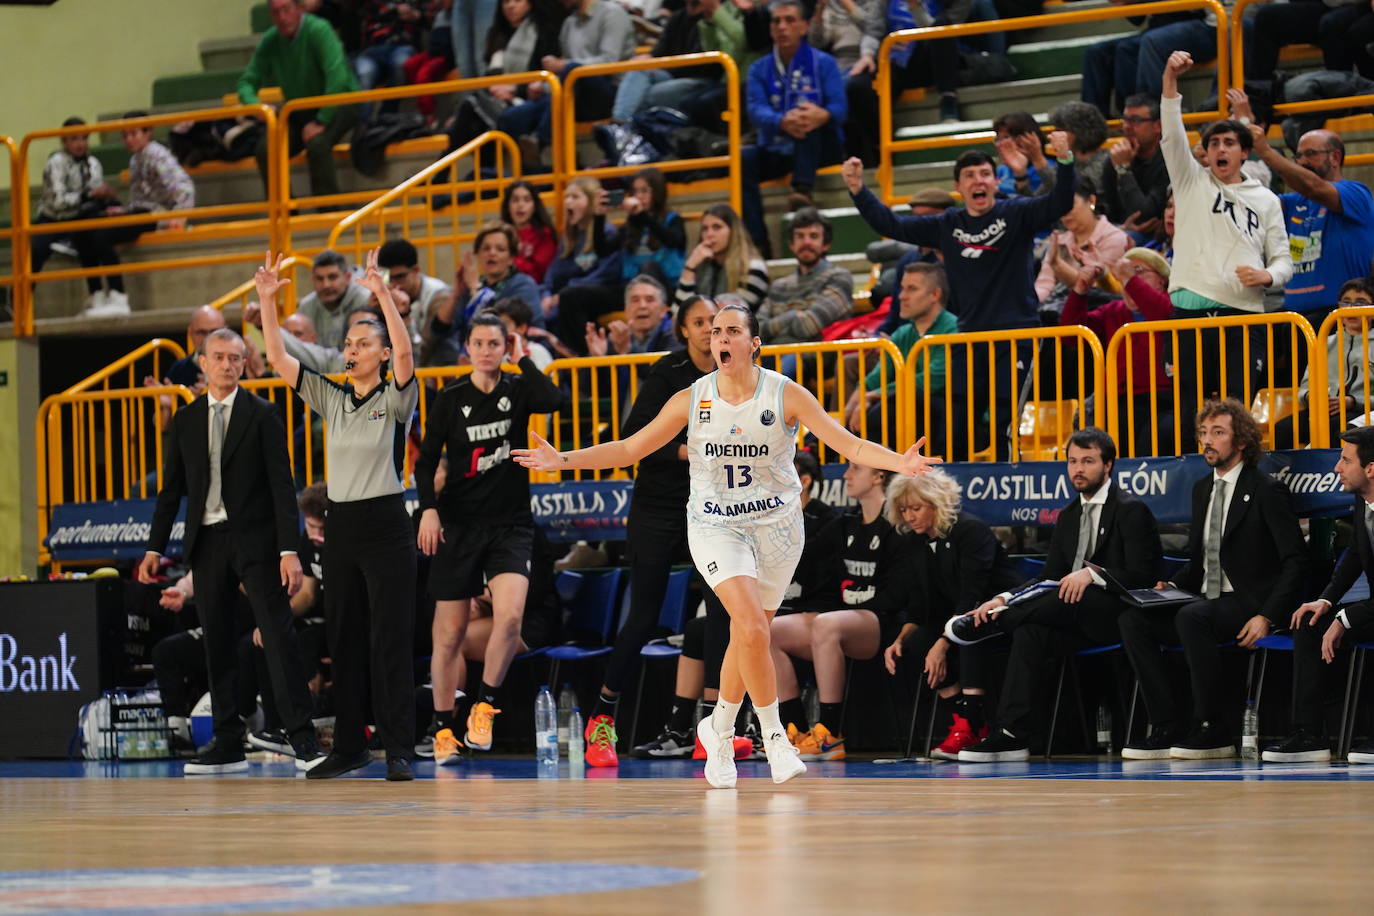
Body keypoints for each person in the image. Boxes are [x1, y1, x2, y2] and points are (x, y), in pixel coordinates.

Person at [514, 302, 941, 788]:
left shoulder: (784, 393)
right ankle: (775, 737)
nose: (721, 338)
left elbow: (849, 445)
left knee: (751, 633)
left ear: (753, 343)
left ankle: (717, 729)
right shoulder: (692, 398)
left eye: (732, 331)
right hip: (716, 525)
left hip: (777, 529)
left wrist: (899, 463)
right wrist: (562, 459)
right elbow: (631, 448)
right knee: (749, 626)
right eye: (716, 331)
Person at [254, 248, 420, 781]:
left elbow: (405, 358)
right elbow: (281, 361)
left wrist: (383, 298)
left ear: (380, 352)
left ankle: (398, 748)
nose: (351, 349)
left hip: (388, 523)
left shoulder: (396, 398)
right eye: (347, 343)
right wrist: (266, 303)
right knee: (343, 638)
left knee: (388, 640)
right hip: (343, 525)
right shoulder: (332, 396)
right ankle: (350, 745)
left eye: (362, 343)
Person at [136, 326, 325, 776]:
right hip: (206, 543)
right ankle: (226, 742)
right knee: (216, 640)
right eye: (218, 357)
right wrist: (154, 547)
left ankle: (303, 739)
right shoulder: (185, 420)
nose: (226, 365)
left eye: (235, 358)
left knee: (277, 636)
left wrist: (287, 549)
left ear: (244, 364)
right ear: (202, 362)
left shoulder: (263, 414)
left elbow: (283, 487)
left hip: (256, 543)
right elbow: (172, 490)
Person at [843, 132, 1076, 458]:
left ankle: (1008, 477)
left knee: (1004, 418)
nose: (977, 181)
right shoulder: (947, 224)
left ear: (995, 182)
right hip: (968, 340)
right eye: (969, 175)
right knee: (958, 418)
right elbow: (893, 224)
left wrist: (1064, 160)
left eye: (984, 173)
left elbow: (1060, 202)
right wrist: (857, 189)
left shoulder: (1017, 213)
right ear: (959, 186)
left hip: (1017, 335)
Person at [946, 428, 1163, 761]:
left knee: (1069, 594)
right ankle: (1011, 733)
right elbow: (1049, 578)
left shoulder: (1131, 510)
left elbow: (1144, 575)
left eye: (1088, 461)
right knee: (1031, 632)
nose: (1078, 469)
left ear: (1108, 466)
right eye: (1072, 461)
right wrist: (1004, 598)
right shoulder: (1068, 516)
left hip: (1114, 614)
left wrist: (1092, 574)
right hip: (1065, 615)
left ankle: (992, 625)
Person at [580, 296, 726, 766]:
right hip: (659, 506)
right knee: (642, 617)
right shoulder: (668, 373)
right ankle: (601, 721)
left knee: (719, 613)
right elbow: (635, 435)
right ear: (683, 330)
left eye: (715, 323)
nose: (709, 330)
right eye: (700, 323)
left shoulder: (734, 376)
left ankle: (712, 728)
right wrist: (692, 450)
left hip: (709, 508)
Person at [1117, 399, 1307, 759]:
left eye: (1218, 433)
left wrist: (1267, 615)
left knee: (1193, 616)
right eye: (1203, 432)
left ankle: (1213, 727)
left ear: (1242, 442)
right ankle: (1164, 724)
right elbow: (1199, 562)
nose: (1207, 441)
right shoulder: (1202, 488)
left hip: (1248, 601)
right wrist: (1171, 586)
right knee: (1133, 619)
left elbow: (1295, 560)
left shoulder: (1266, 489)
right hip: (1206, 600)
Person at [414, 313, 564, 762]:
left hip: (511, 525)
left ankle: (485, 705)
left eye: (494, 343)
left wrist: (524, 361)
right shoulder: (450, 397)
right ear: (467, 348)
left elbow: (554, 398)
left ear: (505, 347)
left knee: (510, 618)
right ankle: (443, 729)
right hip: (459, 525)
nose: (485, 350)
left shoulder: (518, 390)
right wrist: (429, 509)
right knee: (449, 635)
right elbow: (424, 464)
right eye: (477, 342)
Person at [633, 447, 835, 761]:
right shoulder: (752, 513)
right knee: (701, 628)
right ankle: (683, 727)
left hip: (806, 604)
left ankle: (763, 727)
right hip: (766, 595)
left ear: (802, 480)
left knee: (753, 629)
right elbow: (633, 445)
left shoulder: (822, 519)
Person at [1160, 51, 1294, 450]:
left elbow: (1284, 258)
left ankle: (1240, 483)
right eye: (1213, 142)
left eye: (1229, 142)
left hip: (1242, 316)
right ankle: (1196, 491)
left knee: (1236, 413)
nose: (1219, 148)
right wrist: (1170, 79)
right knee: (1190, 413)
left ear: (1244, 152)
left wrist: (1269, 276)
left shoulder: (1266, 199)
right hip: (1188, 315)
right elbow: (1170, 134)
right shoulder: (1190, 182)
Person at [879, 469, 1022, 759]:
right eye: (904, 510)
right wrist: (900, 639)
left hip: (999, 612)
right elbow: (920, 602)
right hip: (958, 618)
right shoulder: (914, 542)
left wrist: (943, 644)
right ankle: (966, 721)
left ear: (937, 502)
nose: (909, 516)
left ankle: (970, 722)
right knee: (917, 642)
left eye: (916, 508)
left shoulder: (970, 531)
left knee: (968, 630)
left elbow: (972, 597)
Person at [770, 462, 901, 761]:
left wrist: (854, 608)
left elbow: (901, 592)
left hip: (882, 622)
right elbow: (803, 557)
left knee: (826, 624)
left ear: (879, 476)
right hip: (844, 619)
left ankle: (829, 732)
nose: (846, 476)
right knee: (767, 630)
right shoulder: (845, 523)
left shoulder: (896, 525)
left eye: (855, 469)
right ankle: (797, 729)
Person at [1267, 427, 1374, 764]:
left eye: (1345, 460)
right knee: (1310, 622)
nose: (1336, 468)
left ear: (1371, 468)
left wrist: (1346, 617)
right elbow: (1356, 554)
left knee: (1339, 621)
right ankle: (1309, 735)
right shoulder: (1363, 500)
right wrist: (1327, 601)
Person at [740, 0, 847, 255]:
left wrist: (822, 114)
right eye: (776, 21)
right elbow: (755, 110)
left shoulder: (824, 63)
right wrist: (781, 121)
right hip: (776, 146)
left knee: (806, 119)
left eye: (789, 20)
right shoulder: (758, 69)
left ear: (804, 26)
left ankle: (802, 190)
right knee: (742, 159)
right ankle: (758, 240)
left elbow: (840, 109)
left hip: (820, 146)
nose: (782, 27)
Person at [1245, 122, 1374, 331]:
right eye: (1298, 156)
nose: (1302, 161)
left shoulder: (1356, 193)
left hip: (1341, 318)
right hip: (1295, 320)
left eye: (1311, 153)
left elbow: (1312, 186)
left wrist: (1265, 151)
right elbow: (1252, 201)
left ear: (1335, 157)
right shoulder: (1291, 203)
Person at [76, 112, 195, 316]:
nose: (128, 139)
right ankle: (96, 294)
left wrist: (179, 216)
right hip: (139, 212)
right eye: (124, 135)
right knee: (83, 230)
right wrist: (123, 211)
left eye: (133, 133)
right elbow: (141, 198)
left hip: (155, 215)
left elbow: (184, 188)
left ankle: (118, 295)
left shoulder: (156, 154)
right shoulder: (135, 160)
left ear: (148, 132)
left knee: (102, 236)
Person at [240, 0, 360, 200]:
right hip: (300, 108)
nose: (282, 18)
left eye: (286, 10)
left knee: (317, 143)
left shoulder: (319, 30)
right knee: (266, 150)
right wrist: (257, 107)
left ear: (298, 9)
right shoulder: (270, 41)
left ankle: (327, 212)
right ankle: (283, 214)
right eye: (276, 13)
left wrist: (321, 120)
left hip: (340, 101)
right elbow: (246, 82)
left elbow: (336, 77)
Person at [1060, 251, 1175, 458]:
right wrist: (1080, 290)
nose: (1128, 277)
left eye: (1138, 270)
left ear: (1161, 280)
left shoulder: (1172, 304)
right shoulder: (1113, 311)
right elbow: (1070, 336)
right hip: (1119, 401)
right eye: (1125, 273)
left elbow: (1162, 315)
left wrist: (1129, 278)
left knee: (1157, 437)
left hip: (1166, 399)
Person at [496, 0, 636, 163]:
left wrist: (564, 65)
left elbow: (610, 62)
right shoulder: (569, 23)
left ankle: (543, 140)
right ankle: (536, 178)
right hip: (574, 94)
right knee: (512, 117)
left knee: (572, 70)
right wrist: (544, 86)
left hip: (611, 91)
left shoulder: (612, 13)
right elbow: (564, 73)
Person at [844, 262, 959, 448]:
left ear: (935, 295)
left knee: (890, 406)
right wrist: (848, 411)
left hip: (945, 415)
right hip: (909, 411)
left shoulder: (953, 329)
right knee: (841, 425)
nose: (901, 296)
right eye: (902, 289)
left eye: (911, 289)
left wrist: (872, 396)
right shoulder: (903, 333)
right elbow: (875, 379)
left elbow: (931, 381)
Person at [434, 0, 563, 161]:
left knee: (472, 110)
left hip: (529, 99)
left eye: (517, 1)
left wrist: (514, 89)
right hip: (499, 98)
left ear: (530, 3)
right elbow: (490, 75)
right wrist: (497, 88)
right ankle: (484, 175)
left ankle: (446, 171)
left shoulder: (544, 31)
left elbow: (545, 79)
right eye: (506, 2)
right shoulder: (498, 33)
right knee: (475, 115)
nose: (510, 6)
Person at [845, 0, 965, 166]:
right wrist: (867, 55)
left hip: (933, 60)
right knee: (856, 86)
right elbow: (873, 30)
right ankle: (882, 148)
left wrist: (915, 7)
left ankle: (948, 102)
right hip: (896, 58)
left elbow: (939, 32)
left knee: (942, 25)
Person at [611, 0, 753, 124]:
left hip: (701, 79)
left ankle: (619, 125)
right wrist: (650, 57)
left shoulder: (720, 16)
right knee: (639, 70)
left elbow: (705, 64)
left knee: (646, 94)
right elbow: (660, 50)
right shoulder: (678, 17)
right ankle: (619, 123)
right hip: (669, 74)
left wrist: (659, 64)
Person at [30, 117, 119, 311]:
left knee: (93, 237)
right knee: (35, 249)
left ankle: (96, 294)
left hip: (80, 216)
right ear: (64, 142)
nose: (80, 144)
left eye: (83, 138)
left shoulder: (93, 163)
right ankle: (20, 301)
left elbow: (94, 195)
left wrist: (105, 195)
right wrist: (88, 195)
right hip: (53, 218)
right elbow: (58, 202)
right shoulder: (56, 163)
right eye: (74, 139)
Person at [1280, 279, 1374, 448]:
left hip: (1363, 411)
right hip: (1322, 410)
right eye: (1346, 302)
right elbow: (1304, 388)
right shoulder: (1324, 342)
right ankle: (1285, 474)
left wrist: (1353, 401)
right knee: (1283, 429)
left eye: (1360, 302)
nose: (1351, 309)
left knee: (1337, 427)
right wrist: (1312, 397)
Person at [1080, 3, 1213, 118]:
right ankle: (1092, 123)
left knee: (1140, 44)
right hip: (1158, 27)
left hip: (1202, 23)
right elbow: (1137, 18)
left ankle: (1150, 115)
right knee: (1097, 52)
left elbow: (1194, 7)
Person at [434, 222, 542, 351]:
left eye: (500, 249)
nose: (492, 253)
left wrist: (476, 288)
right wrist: (457, 293)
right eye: (486, 248)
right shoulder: (472, 286)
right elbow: (439, 330)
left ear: (511, 258)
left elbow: (499, 327)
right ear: (478, 255)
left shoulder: (523, 284)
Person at [544, 178, 623, 349]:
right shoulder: (569, 239)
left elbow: (606, 273)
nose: (567, 202)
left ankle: (581, 355)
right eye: (566, 197)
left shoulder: (606, 232)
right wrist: (547, 295)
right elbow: (553, 272)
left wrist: (560, 295)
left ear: (591, 203)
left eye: (575, 197)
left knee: (569, 298)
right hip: (568, 297)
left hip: (603, 292)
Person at [756, 207, 853, 346]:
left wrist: (776, 327)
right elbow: (757, 329)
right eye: (800, 236)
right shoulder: (778, 286)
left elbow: (806, 326)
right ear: (791, 244)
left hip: (816, 359)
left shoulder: (839, 278)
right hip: (773, 355)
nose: (806, 242)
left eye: (813, 236)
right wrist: (793, 316)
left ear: (826, 244)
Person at [1034, 176, 1131, 308]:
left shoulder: (1116, 239)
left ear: (1091, 200)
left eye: (1070, 204)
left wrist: (1058, 266)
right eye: (1059, 205)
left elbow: (1101, 291)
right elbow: (1044, 286)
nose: (1064, 211)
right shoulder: (1059, 241)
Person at [673, 204, 770, 313]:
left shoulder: (753, 268)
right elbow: (678, 314)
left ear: (733, 231)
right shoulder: (701, 266)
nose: (709, 234)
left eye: (717, 227)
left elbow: (733, 316)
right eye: (705, 229)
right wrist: (690, 268)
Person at [376, 237, 457, 364]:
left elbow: (422, 354)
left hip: (440, 373)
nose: (394, 285)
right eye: (388, 278)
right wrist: (374, 312)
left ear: (415, 271)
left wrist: (404, 315)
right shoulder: (384, 293)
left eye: (400, 277)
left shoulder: (439, 296)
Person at [1100, 94, 1169, 238]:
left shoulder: (1168, 161)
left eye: (1135, 121)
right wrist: (1120, 228)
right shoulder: (1114, 160)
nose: (1126, 127)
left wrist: (1123, 170)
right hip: (1122, 232)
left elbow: (1143, 217)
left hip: (1160, 236)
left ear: (1158, 126)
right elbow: (1107, 213)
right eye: (1125, 120)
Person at [355, 0, 441, 114]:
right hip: (371, 52)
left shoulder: (411, 4)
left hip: (401, 46)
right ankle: (364, 124)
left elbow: (432, 22)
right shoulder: (366, 6)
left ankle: (387, 116)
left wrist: (416, 16)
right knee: (365, 74)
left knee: (400, 63)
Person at [618, 168, 688, 289]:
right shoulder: (631, 224)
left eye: (644, 191)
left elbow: (672, 241)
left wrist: (642, 215)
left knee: (648, 266)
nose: (638, 196)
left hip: (666, 286)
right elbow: (603, 250)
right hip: (633, 286)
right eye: (635, 191)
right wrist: (599, 215)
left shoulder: (673, 219)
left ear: (657, 192)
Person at [295, 250, 370, 351]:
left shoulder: (365, 300)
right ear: (312, 280)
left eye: (332, 277)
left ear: (347, 277)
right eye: (319, 278)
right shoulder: (306, 307)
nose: (326, 285)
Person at [585, 275, 677, 356]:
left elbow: (662, 373)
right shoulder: (617, 339)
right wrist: (597, 359)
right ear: (626, 310)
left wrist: (628, 350)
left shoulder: (676, 336)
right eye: (635, 300)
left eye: (650, 300)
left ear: (663, 310)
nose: (642, 306)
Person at [503, 180, 558, 284]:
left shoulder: (544, 234)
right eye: (515, 200)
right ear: (507, 206)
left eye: (527, 200)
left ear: (534, 206)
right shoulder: (500, 233)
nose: (520, 205)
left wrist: (511, 261)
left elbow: (540, 275)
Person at [992, 111, 1055, 199]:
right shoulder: (1002, 169)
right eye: (998, 139)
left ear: (1027, 139)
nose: (1000, 145)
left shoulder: (1048, 168)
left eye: (1006, 137)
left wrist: (1020, 175)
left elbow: (1034, 207)